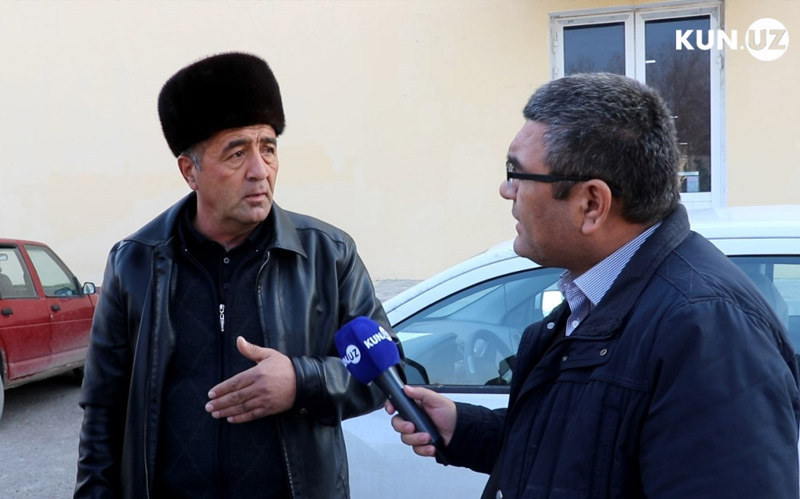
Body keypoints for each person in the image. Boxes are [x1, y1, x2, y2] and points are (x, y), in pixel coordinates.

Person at [388, 72, 800, 498]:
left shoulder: (707, 329)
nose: (506, 190)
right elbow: (584, 454)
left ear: (591, 204)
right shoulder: (600, 297)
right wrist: (466, 428)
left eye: (517, 173)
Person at [75, 52, 396, 499]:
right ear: (190, 171)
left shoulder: (328, 254)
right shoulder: (135, 263)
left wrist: (301, 382)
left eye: (268, 148)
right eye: (237, 152)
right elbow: (102, 409)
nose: (260, 171)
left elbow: (386, 371)